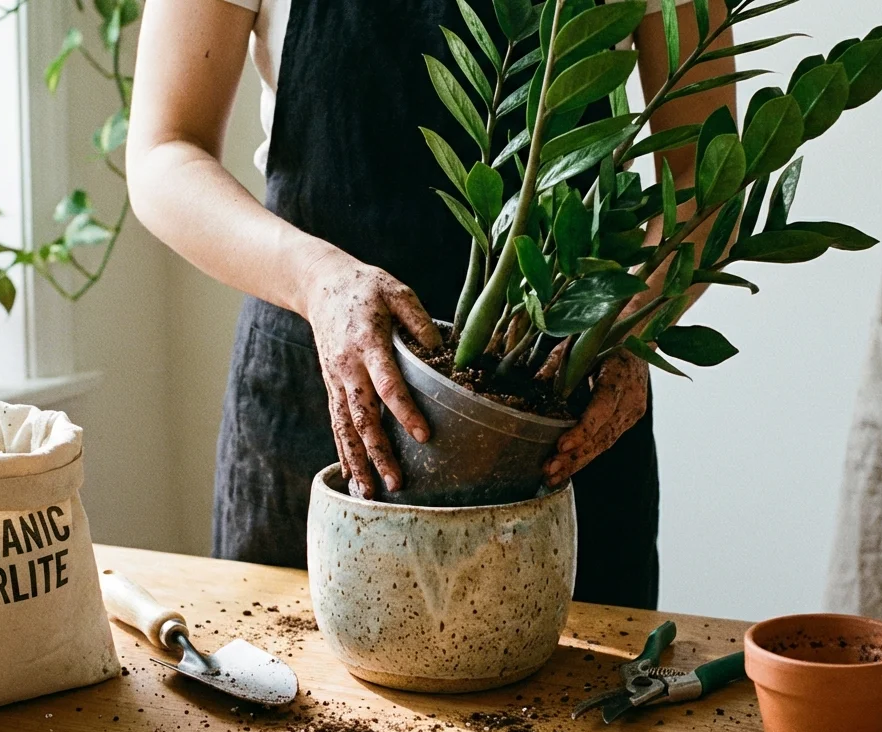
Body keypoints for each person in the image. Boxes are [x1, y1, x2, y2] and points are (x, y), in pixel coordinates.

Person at [127, 0, 736, 609]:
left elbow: (707, 172)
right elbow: (164, 151)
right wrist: (318, 279)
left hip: (558, 396)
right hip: (318, 386)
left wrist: (628, 325)